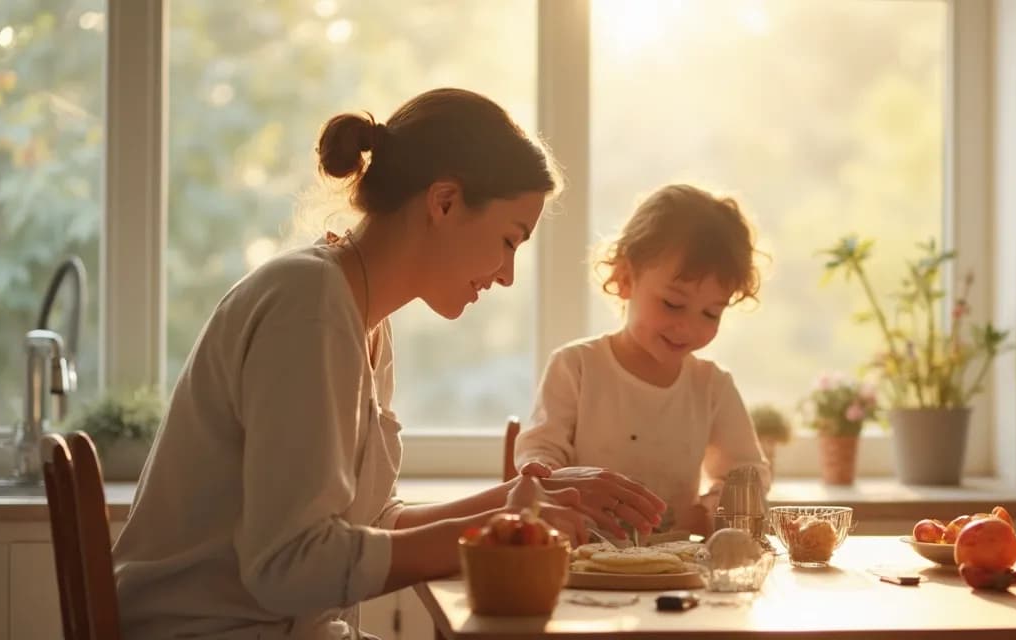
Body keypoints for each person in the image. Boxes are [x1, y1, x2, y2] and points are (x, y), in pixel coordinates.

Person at [111, 88, 664, 639]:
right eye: (509, 240)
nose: (507, 274)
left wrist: (526, 498)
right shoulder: (308, 306)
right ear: (444, 201)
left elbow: (370, 525)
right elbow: (290, 565)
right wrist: (499, 528)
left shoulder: (361, 314)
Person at [514, 184, 772, 538]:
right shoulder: (576, 366)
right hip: (584, 561)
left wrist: (708, 513)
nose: (688, 327)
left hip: (676, 567)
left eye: (711, 313)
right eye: (672, 304)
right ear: (624, 278)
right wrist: (545, 478)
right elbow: (541, 452)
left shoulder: (712, 386)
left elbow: (748, 475)